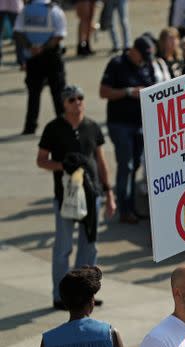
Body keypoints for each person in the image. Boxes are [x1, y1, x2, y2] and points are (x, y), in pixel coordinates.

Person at [37, 85, 116, 309]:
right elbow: (41, 159)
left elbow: (101, 161)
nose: (77, 102)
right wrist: (62, 166)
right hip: (65, 197)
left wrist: (109, 193)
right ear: (64, 103)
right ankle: (60, 296)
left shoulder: (92, 126)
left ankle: (85, 295)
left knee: (89, 247)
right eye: (72, 99)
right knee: (63, 247)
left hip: (92, 195)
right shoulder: (53, 128)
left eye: (80, 98)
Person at [99, 35, 164, 224]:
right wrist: (128, 92)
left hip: (141, 124)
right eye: (141, 56)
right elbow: (103, 92)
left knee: (135, 165)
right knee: (125, 165)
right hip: (120, 124)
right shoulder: (117, 64)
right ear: (133, 51)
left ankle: (131, 205)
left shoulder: (147, 65)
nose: (143, 60)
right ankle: (124, 209)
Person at [13, 0, 66, 135]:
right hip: (51, 56)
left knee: (33, 94)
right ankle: (64, 125)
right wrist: (43, 48)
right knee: (58, 93)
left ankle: (30, 126)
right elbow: (59, 35)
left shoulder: (26, 10)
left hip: (33, 57)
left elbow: (18, 33)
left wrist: (31, 47)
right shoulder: (54, 10)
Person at [0, 0, 23, 66]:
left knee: (18, 33)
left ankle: (21, 60)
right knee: (19, 32)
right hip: (15, 5)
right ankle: (21, 60)